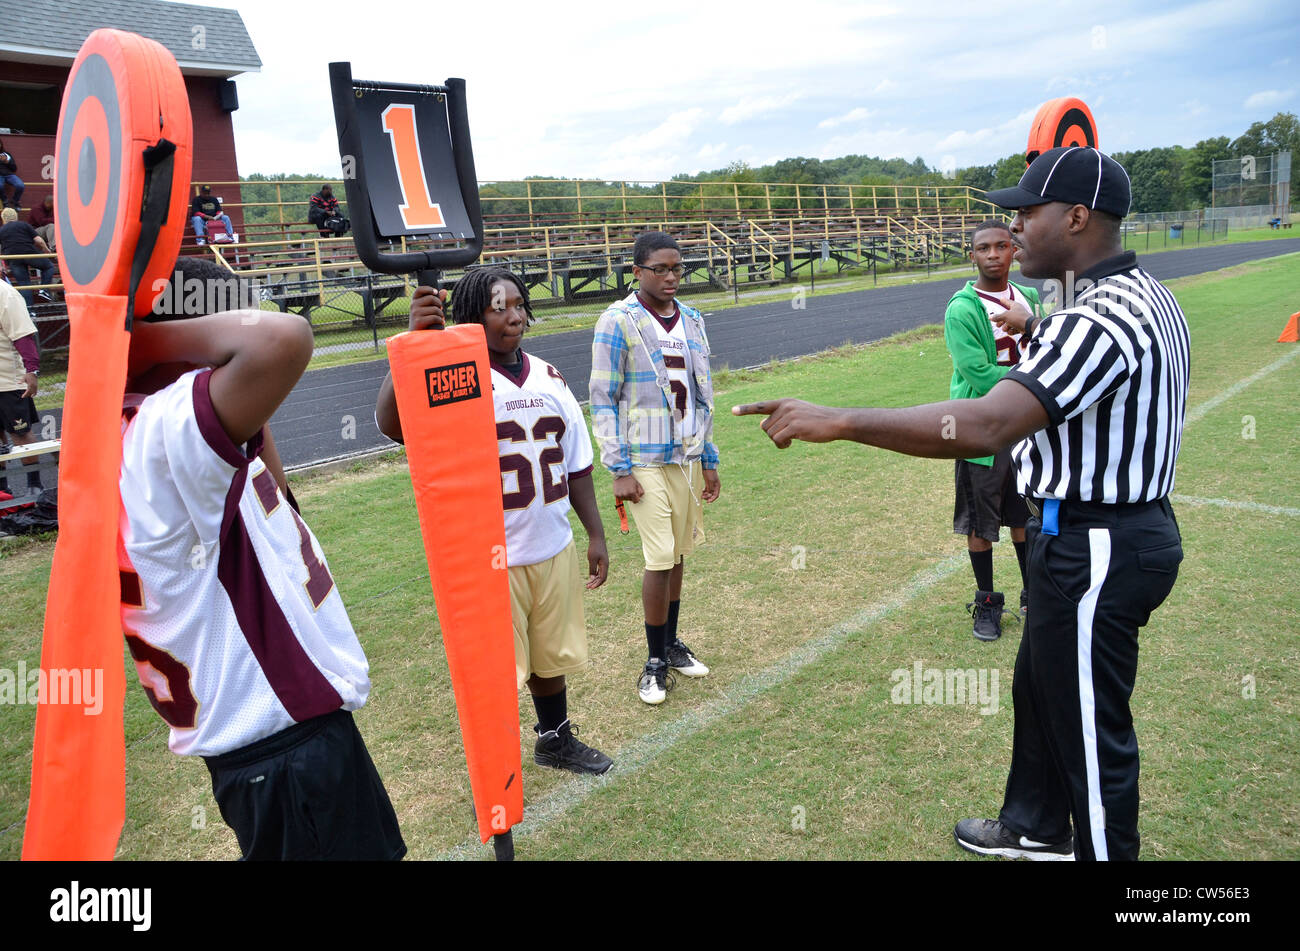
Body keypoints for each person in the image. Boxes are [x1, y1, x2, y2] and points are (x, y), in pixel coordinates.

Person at [734, 148, 1187, 861]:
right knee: (1040, 685)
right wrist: (1035, 333)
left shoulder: (1094, 316)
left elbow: (985, 424)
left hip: (1099, 543)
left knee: (1091, 737)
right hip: (1092, 532)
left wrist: (842, 418)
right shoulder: (1133, 295)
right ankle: (1036, 825)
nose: (1013, 231)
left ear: (1075, 217)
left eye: (1025, 214)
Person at [120, 256, 404, 860]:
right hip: (282, 747)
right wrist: (144, 340)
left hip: (282, 738)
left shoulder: (168, 437)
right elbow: (284, 338)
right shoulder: (163, 432)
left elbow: (277, 496)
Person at [375, 268, 614, 774]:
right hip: (492, 554)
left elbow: (577, 464)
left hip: (551, 542)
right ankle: (497, 765)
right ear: (469, 317)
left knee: (550, 657)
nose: (515, 316)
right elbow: (394, 425)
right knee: (498, 671)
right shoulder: (454, 375)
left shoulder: (550, 375)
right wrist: (414, 347)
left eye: (520, 305)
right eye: (498, 307)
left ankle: (555, 739)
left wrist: (595, 532)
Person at [590, 231, 721, 705]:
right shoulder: (618, 321)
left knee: (680, 552)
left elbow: (704, 392)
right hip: (642, 458)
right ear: (637, 272)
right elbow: (602, 397)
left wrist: (709, 457)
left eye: (677, 269)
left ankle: (671, 643)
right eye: (660, 269)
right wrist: (618, 468)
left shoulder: (691, 318)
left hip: (684, 455)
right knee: (660, 554)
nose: (671, 277)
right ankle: (653, 662)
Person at [944, 220, 1044, 640]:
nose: (993, 255)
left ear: (1013, 251)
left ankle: (1032, 597)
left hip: (1023, 428)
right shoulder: (961, 308)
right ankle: (986, 604)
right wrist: (1028, 389)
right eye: (983, 248)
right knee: (980, 524)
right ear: (973, 255)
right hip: (982, 429)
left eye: (1002, 246)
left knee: (1024, 517)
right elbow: (977, 372)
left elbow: (1043, 349)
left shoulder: (1030, 297)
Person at [0, 278, 43, 499]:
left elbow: (22, 334)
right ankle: (2, 490)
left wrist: (31, 369)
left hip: (8, 381)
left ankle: (35, 485)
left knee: (21, 434)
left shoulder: (5, 293)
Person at [0, 207, 56, 306]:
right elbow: (39, 240)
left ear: (3, 218)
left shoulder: (1, 230)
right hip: (29, 253)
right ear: (16, 216)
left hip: (13, 259)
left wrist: (1, 265)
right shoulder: (24, 225)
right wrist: (47, 251)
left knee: (24, 284)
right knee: (49, 267)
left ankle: (30, 311)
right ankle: (43, 289)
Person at [0, 142, 22, 210]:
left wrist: (7, 162)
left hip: (9, 175)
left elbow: (14, 169)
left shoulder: (6, 154)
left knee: (20, 185)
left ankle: (15, 201)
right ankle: (5, 202)